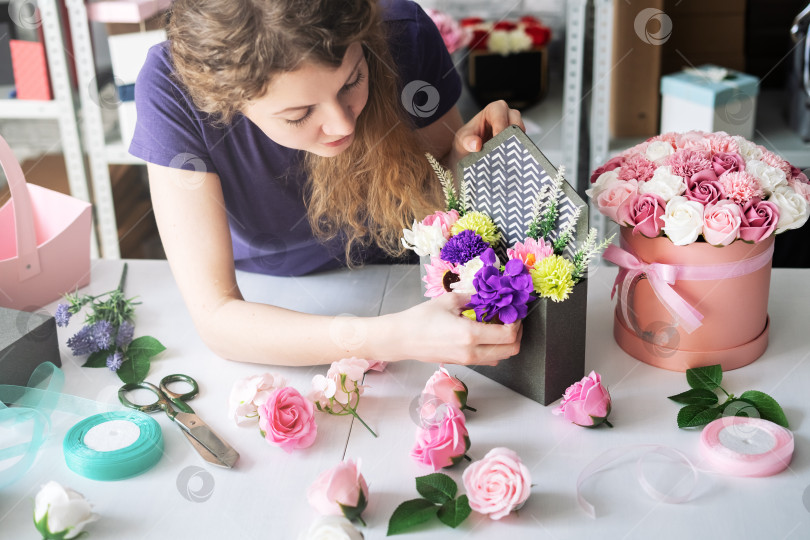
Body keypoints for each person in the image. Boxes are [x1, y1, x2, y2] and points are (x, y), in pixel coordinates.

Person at [130, 0, 525, 367]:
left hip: (402, 276)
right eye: (299, 113)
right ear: (226, 101)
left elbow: (437, 204)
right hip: (268, 298)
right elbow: (217, 317)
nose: (343, 124)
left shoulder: (403, 31)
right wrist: (390, 337)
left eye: (353, 80)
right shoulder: (172, 87)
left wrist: (464, 156)